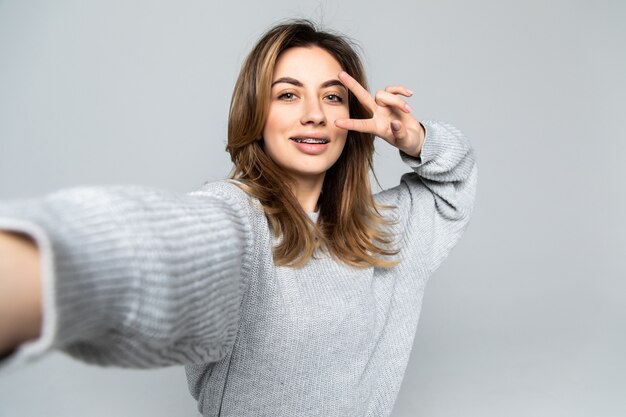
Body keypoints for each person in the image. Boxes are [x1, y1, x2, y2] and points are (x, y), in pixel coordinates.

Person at [0, 19, 477, 417]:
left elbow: (454, 181)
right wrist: (32, 266)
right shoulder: (239, 220)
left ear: (352, 114)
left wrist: (416, 140)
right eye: (287, 95)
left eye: (332, 97)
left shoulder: (386, 228)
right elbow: (154, 251)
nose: (313, 114)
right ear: (256, 111)